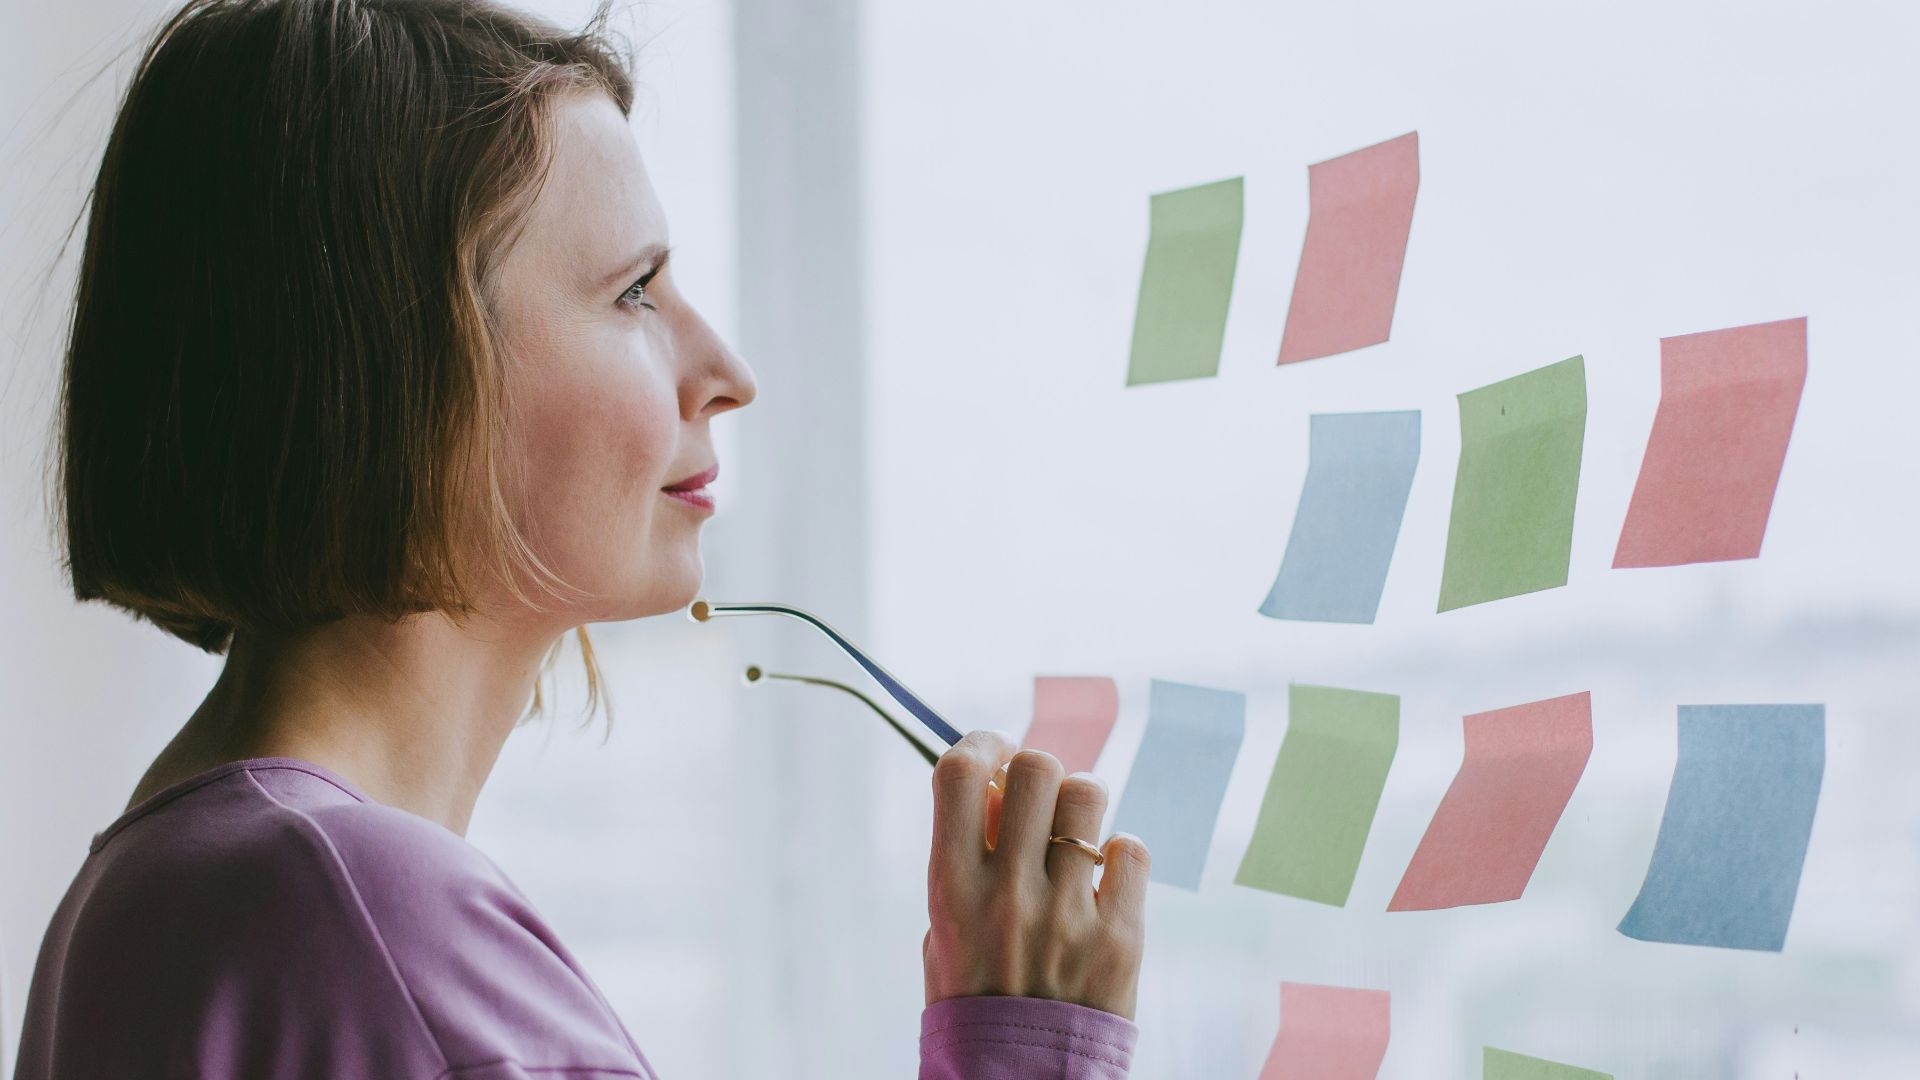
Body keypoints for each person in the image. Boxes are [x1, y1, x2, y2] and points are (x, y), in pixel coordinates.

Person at [11, 1, 1150, 1077]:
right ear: (401, 376)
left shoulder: (153, 892)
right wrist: (1026, 1041)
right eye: (636, 294)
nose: (726, 377)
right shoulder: (367, 915)